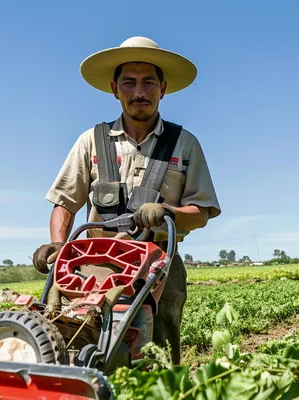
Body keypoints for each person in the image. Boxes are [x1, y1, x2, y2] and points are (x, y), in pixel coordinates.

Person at [32, 36, 221, 365]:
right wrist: (58, 245)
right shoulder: (92, 140)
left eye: (148, 82)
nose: (139, 92)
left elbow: (201, 212)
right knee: (74, 342)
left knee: (157, 354)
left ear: (162, 88)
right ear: (114, 88)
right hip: (93, 263)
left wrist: (167, 212)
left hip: (158, 266)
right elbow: (64, 202)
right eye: (129, 83)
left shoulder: (184, 144)